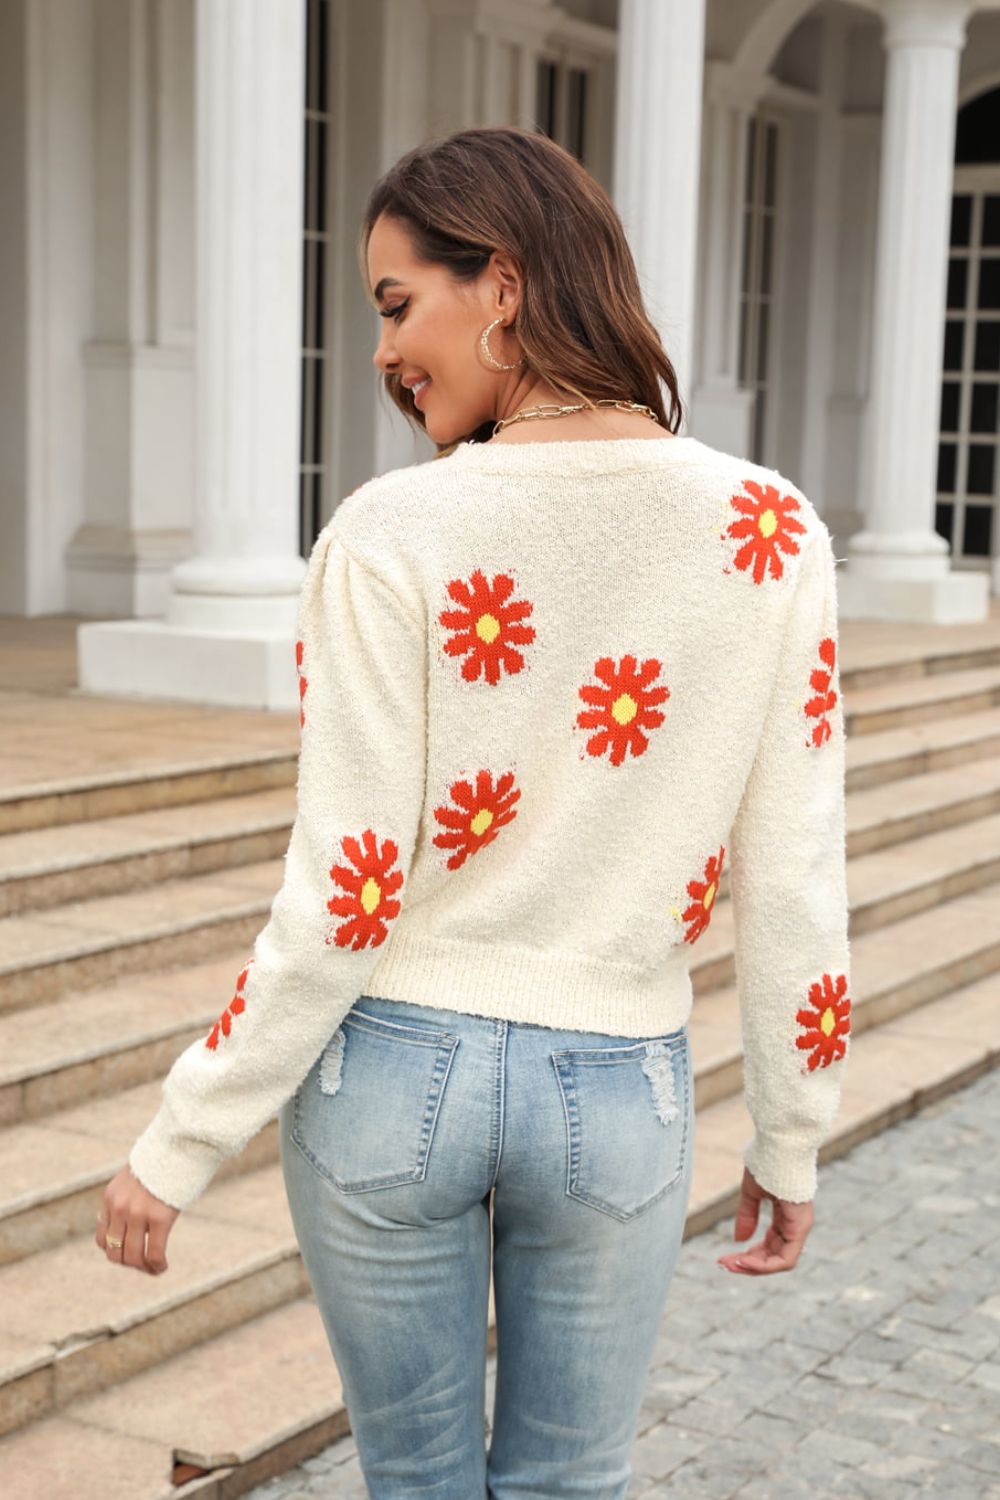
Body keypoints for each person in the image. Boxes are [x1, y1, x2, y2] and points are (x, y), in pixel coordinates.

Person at [96, 126, 851, 1498]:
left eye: (397, 305)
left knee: (415, 1482)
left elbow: (348, 891)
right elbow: (791, 871)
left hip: (390, 1076)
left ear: (501, 284)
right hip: (616, 1085)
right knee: (571, 1483)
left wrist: (184, 1134)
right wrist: (791, 1135)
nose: (386, 351)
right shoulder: (771, 532)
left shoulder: (389, 533)